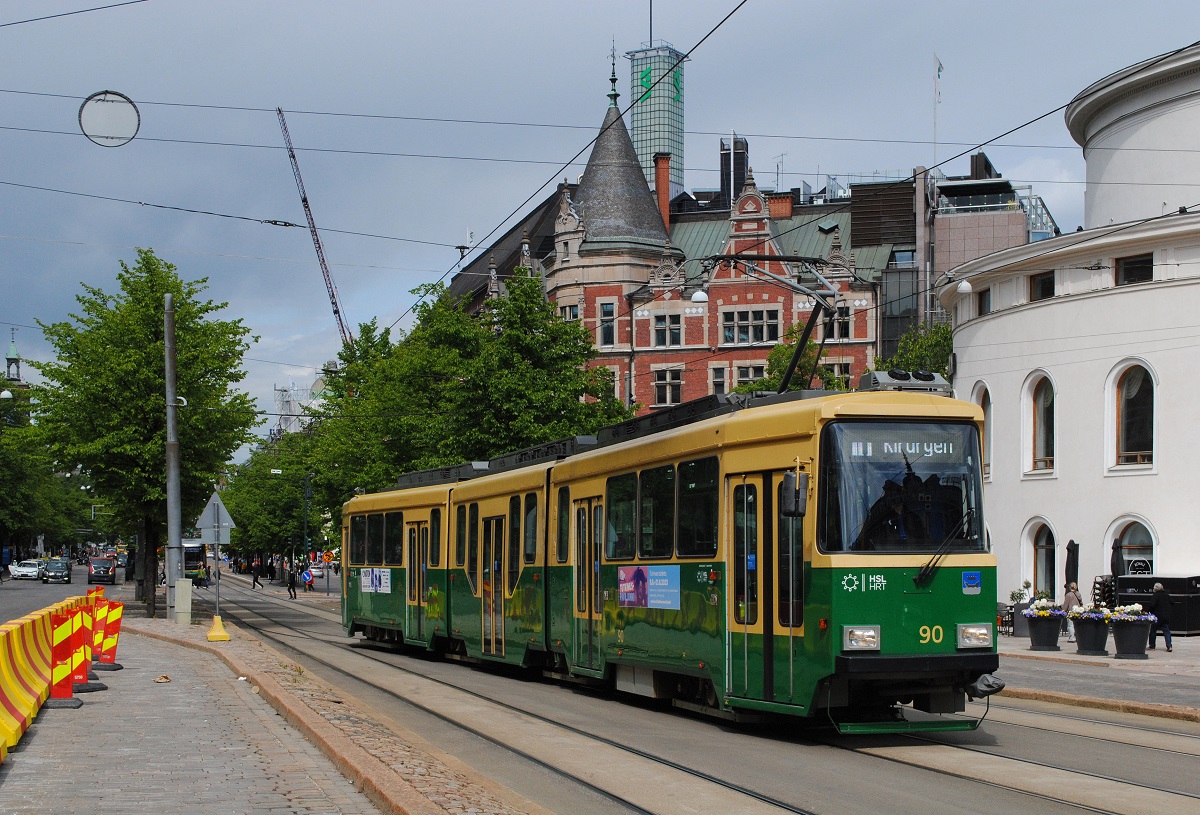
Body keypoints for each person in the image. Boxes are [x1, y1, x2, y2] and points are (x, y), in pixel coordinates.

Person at [1147, 582, 1174, 652]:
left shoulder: (1155, 596)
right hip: (1166, 616)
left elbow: (1152, 605)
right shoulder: (1167, 595)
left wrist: (1150, 612)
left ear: (1155, 589)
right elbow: (1172, 602)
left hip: (1157, 616)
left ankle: (1152, 646)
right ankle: (1169, 646)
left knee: (1153, 630)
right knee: (1166, 631)